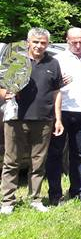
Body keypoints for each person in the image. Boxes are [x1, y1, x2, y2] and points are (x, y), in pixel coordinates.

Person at [0, 28, 63, 214]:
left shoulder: (53, 63)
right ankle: (7, 202)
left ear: (47, 44)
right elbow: (2, 87)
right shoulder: (14, 60)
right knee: (11, 161)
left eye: (43, 43)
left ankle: (35, 199)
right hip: (15, 119)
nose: (39, 46)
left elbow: (56, 93)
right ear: (28, 42)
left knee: (38, 162)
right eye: (35, 42)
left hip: (43, 120)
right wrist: (5, 94)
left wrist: (58, 119)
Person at [47, 27, 81, 204]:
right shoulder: (58, 59)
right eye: (74, 42)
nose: (78, 45)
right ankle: (55, 194)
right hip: (61, 111)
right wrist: (60, 83)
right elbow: (49, 87)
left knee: (78, 153)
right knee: (55, 153)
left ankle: (78, 190)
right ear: (67, 40)